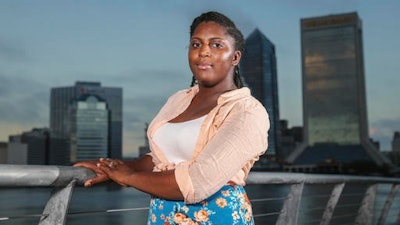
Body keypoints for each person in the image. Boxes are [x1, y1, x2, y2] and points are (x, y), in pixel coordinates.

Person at [74, 11, 269, 225]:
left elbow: (198, 183)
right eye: (196, 44)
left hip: (216, 217)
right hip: (163, 216)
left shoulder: (247, 112)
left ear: (235, 57)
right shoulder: (178, 100)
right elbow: (160, 158)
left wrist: (128, 178)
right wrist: (112, 167)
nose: (203, 52)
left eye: (216, 45)